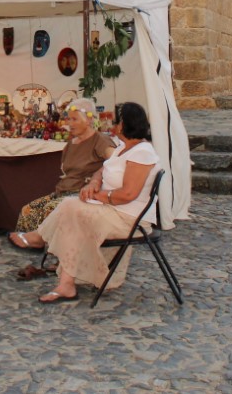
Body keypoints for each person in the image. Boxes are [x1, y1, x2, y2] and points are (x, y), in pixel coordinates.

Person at [8, 101, 160, 304]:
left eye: (115, 121)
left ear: (124, 124)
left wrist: (97, 196)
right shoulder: (124, 147)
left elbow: (128, 194)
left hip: (128, 219)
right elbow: (103, 168)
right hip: (110, 209)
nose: (111, 124)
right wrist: (96, 182)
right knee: (71, 213)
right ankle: (66, 284)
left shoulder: (142, 152)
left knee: (70, 206)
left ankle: (39, 238)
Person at [12, 105, 113, 280]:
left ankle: (64, 259)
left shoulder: (100, 141)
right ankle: (53, 253)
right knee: (28, 210)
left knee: (50, 210)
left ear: (89, 120)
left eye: (75, 119)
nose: (69, 123)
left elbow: (115, 162)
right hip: (64, 191)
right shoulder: (71, 143)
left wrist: (96, 179)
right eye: (68, 119)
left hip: (81, 194)